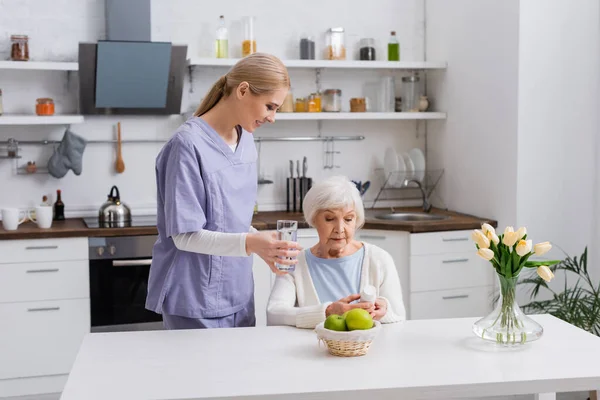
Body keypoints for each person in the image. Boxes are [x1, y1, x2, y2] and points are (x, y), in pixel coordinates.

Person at [146, 53, 302, 330]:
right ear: (243, 90)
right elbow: (185, 235)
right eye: (270, 106)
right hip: (194, 297)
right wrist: (252, 243)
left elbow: (229, 222)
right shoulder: (187, 145)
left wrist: (263, 243)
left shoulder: (247, 140)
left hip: (238, 293)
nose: (273, 117)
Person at [267, 176, 406, 328]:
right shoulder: (294, 263)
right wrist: (327, 312)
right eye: (329, 218)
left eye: (348, 219)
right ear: (314, 219)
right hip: (311, 350)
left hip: (368, 350)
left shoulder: (379, 259)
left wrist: (384, 311)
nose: (340, 229)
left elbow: (399, 316)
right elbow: (274, 314)